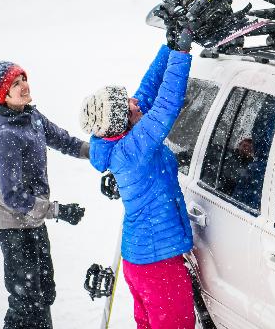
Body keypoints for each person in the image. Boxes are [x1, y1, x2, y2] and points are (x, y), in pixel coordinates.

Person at [80, 32, 196, 329]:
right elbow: (166, 106)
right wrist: (182, 54)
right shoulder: (132, 151)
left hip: (142, 261)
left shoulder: (119, 137)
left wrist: (169, 45)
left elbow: (146, 92)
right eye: (129, 106)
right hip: (158, 264)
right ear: (123, 121)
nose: (135, 102)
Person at [0, 61, 89, 329]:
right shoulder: (4, 135)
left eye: (23, 79)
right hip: (14, 227)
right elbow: (14, 197)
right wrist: (58, 211)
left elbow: (64, 141)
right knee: (26, 303)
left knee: (43, 293)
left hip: (32, 222)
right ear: (2, 94)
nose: (24, 86)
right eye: (15, 83)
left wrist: (100, 152)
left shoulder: (31, 116)